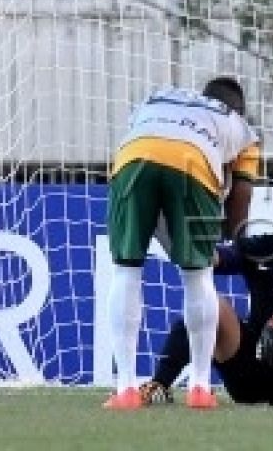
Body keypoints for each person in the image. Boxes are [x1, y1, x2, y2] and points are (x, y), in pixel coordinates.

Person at [103, 78, 260, 411]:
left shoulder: (157, 96)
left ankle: (126, 389)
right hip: (194, 168)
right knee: (198, 277)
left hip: (133, 159)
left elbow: (136, 138)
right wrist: (234, 239)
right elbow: (241, 194)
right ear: (239, 110)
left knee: (126, 272)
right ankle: (200, 388)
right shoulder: (241, 129)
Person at [139, 168, 273, 407]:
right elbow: (206, 259)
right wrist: (169, 231)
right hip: (254, 372)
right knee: (209, 304)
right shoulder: (258, 247)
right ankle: (159, 385)